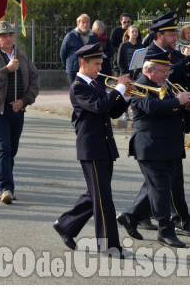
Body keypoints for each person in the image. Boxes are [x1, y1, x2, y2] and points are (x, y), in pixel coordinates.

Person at [118, 12, 190, 241]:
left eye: (177, 33)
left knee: (161, 178)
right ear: (160, 35)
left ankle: (134, 216)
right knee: (164, 179)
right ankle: (176, 222)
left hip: (173, 122)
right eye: (172, 33)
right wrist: (188, 59)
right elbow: (168, 82)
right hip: (156, 129)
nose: (176, 37)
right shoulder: (152, 55)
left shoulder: (174, 54)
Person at [53, 43, 131, 255]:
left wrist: (125, 96)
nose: (99, 68)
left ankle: (65, 224)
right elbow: (98, 107)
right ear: (82, 63)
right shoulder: (78, 87)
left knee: (95, 194)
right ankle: (109, 246)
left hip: (103, 147)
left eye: (101, 63)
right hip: (92, 148)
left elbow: (111, 112)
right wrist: (119, 89)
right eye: (96, 64)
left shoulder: (95, 84)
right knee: (103, 198)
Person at [0, 20, 39, 204]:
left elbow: (35, 80)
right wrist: (6, 69)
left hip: (17, 109)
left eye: (10, 35)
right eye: (3, 36)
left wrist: (24, 100)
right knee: (4, 147)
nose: (7, 38)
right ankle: (7, 188)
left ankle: (0, 185)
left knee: (11, 149)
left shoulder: (22, 56)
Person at [60, 14, 98, 83]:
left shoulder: (94, 37)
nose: (85, 25)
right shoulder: (70, 36)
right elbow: (63, 53)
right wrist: (70, 65)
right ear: (78, 23)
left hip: (88, 69)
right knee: (75, 90)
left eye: (87, 22)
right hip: (73, 70)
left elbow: (96, 53)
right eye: (83, 22)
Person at [92, 20, 114, 89]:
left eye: (103, 30)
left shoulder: (106, 39)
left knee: (103, 85)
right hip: (95, 65)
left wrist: (105, 55)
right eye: (100, 30)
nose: (102, 32)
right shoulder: (92, 39)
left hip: (105, 65)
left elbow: (111, 52)